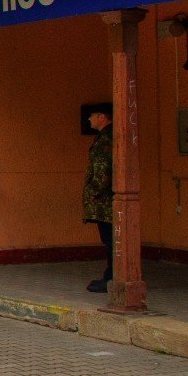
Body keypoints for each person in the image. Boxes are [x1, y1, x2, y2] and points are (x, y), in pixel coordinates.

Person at [82, 105, 114, 293]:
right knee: (109, 239)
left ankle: (112, 277)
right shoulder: (106, 136)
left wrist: (93, 192)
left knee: (111, 239)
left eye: (92, 116)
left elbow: (103, 170)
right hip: (105, 200)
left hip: (105, 202)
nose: (89, 119)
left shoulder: (106, 139)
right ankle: (110, 276)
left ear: (102, 117)